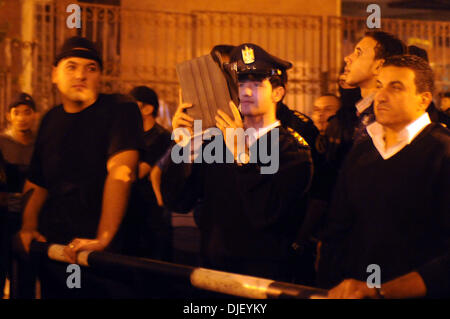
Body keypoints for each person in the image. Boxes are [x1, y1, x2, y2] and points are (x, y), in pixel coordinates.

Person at [161, 43, 313, 282]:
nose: (245, 93)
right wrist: (184, 143)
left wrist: (242, 155)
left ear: (278, 93)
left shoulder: (292, 149)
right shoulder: (217, 143)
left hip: (262, 282)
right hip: (213, 276)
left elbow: (266, 215)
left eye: (256, 84)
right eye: (239, 84)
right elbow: (177, 200)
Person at [17, 36, 144, 298]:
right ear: (54, 74)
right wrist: (28, 226)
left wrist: (103, 239)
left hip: (105, 258)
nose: (81, 75)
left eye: (91, 68)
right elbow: (37, 182)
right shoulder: (51, 119)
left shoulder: (120, 109)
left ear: (100, 76)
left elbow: (121, 172)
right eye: (71, 66)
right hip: (56, 250)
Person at [317, 55, 450, 298]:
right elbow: (337, 230)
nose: (381, 96)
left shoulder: (442, 153)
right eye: (379, 85)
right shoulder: (362, 152)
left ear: (424, 99)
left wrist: (383, 291)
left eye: (395, 87)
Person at [124, 86, 172, 260]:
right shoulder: (131, 136)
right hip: (132, 214)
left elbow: (138, 172)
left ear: (148, 108)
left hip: (152, 217)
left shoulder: (161, 137)